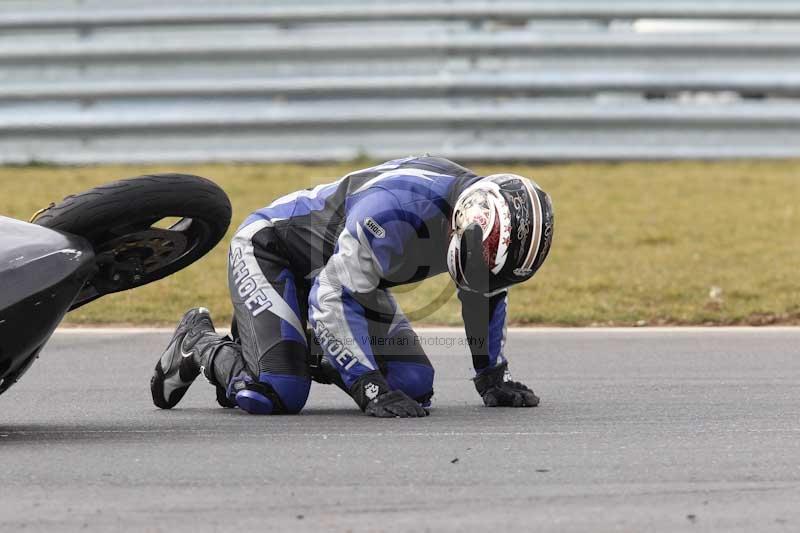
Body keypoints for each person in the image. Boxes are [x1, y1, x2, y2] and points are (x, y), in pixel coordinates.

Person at [150, 156, 554, 418]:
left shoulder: (475, 225)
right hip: (272, 250)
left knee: (413, 384)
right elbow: (330, 296)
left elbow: (483, 296)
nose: (481, 279)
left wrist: (491, 378)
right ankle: (198, 342)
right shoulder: (396, 213)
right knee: (275, 391)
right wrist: (367, 385)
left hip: (346, 275)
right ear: (466, 219)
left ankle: (290, 344)